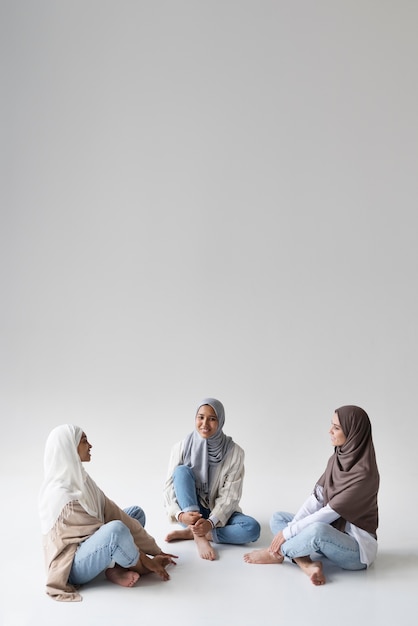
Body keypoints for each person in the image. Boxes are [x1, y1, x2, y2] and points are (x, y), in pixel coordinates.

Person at [39, 424, 178, 602]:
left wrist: (156, 549)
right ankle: (137, 568)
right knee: (116, 531)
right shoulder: (61, 495)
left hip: (93, 543)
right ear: (69, 448)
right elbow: (106, 530)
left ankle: (115, 568)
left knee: (135, 514)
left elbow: (114, 513)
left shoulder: (82, 479)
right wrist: (147, 561)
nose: (90, 445)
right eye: (84, 441)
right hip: (73, 566)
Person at [244, 405, 379, 586]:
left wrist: (287, 534)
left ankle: (275, 553)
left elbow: (328, 513)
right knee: (279, 518)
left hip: (356, 551)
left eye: (337, 428)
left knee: (317, 530)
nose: (330, 431)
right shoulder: (336, 459)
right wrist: (288, 529)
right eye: (332, 425)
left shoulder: (365, 475)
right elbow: (316, 500)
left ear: (354, 433)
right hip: (331, 536)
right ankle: (306, 564)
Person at [163, 397, 260, 560]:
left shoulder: (235, 452)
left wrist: (210, 522)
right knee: (181, 472)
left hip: (219, 515)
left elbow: (231, 496)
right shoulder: (181, 447)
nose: (205, 424)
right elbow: (168, 488)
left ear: (220, 421)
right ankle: (199, 537)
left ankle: (200, 533)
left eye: (212, 419)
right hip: (190, 512)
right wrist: (181, 516)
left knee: (252, 529)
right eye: (201, 417)